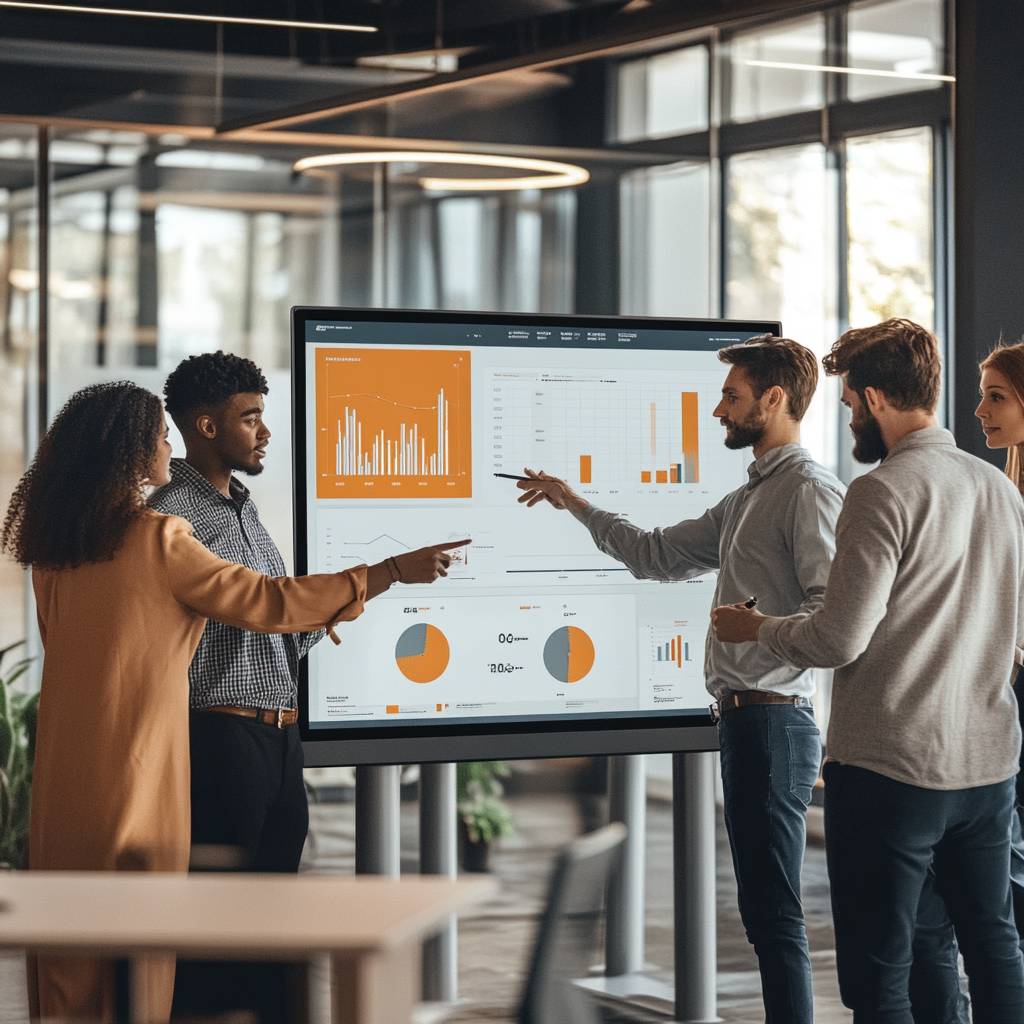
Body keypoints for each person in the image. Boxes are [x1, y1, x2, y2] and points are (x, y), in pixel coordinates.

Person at [1, 381, 463, 1024]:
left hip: (66, 776)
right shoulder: (160, 537)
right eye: (161, 436)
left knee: (74, 954)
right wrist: (383, 572)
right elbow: (267, 603)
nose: (168, 445)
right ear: (132, 454)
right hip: (140, 770)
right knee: (143, 942)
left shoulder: (55, 554)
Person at [515, 335, 843, 1023]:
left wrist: (757, 631)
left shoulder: (809, 492)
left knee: (775, 912)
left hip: (777, 722)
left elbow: (830, 615)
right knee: (762, 910)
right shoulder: (744, 500)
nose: (718, 410)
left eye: (733, 395)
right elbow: (656, 555)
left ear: (775, 400)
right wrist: (572, 500)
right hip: (747, 721)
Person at [713, 319, 1024, 1023]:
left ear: (878, 399)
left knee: (881, 970)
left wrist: (755, 627)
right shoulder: (997, 489)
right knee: (991, 945)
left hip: (892, 770)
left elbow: (838, 638)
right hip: (987, 768)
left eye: (852, 403)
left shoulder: (881, 491)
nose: (850, 415)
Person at [147, 350, 467, 1022]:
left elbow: (277, 625)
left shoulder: (241, 510)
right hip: (222, 740)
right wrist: (382, 574)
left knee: (272, 924)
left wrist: (352, 601)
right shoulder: (176, 516)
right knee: (220, 930)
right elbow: (267, 602)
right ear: (205, 427)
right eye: (251, 418)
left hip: (276, 742)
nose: (265, 432)